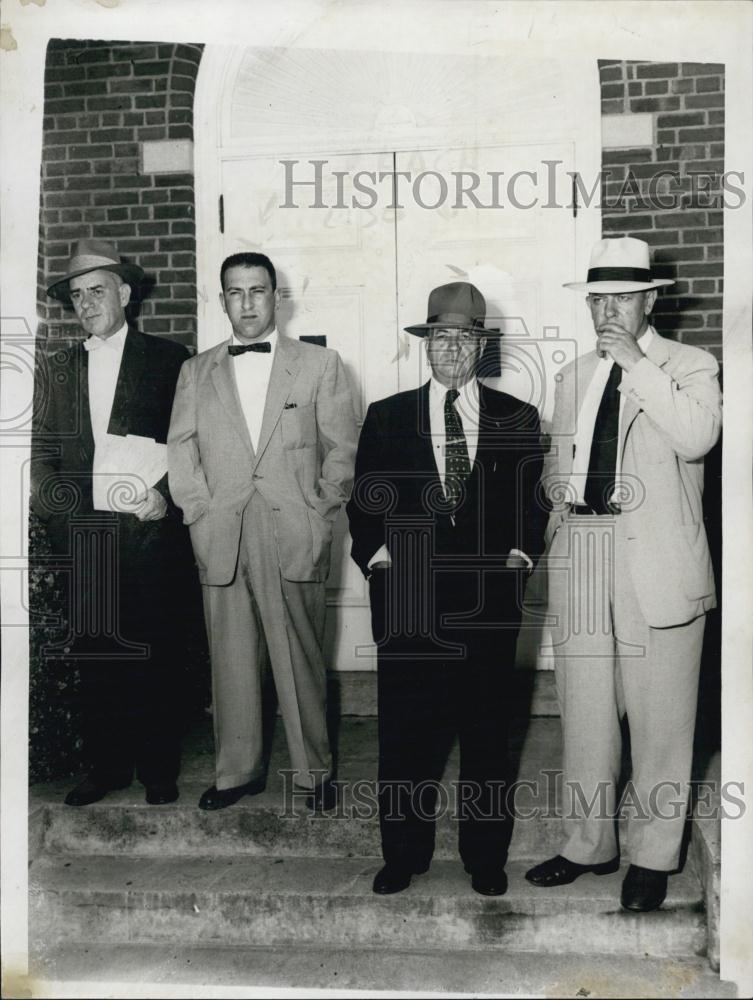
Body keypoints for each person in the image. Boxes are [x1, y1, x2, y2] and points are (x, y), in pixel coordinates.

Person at [525, 237, 722, 912]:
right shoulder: (572, 374)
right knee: (583, 713)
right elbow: (558, 461)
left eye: (618, 299)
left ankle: (652, 854)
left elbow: (697, 437)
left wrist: (635, 364)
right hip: (581, 547)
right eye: (595, 299)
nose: (604, 311)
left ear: (646, 302)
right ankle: (587, 843)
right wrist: (557, 521)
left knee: (662, 716)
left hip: (654, 557)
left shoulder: (689, 364)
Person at [347, 281, 545, 896]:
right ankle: (402, 854)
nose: (451, 349)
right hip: (408, 598)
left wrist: (518, 555)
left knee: (487, 732)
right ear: (426, 344)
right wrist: (377, 558)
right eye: (441, 337)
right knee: (406, 732)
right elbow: (362, 503)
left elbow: (531, 503)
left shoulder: (518, 416)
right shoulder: (386, 415)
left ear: (480, 347)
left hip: (487, 599)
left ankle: (484, 856)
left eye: (464, 338)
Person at [167, 252, 357, 812]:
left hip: (292, 530)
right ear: (221, 299)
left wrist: (319, 513)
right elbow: (181, 451)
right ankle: (237, 773)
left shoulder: (321, 364)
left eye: (257, 291)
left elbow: (342, 452)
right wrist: (198, 513)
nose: (246, 303)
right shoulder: (194, 372)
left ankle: (313, 773)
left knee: (298, 656)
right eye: (234, 292)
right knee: (230, 658)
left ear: (278, 297)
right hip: (222, 530)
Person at [32, 238, 191, 806]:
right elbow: (43, 456)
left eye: (96, 291)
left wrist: (165, 498)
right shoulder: (56, 368)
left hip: (148, 531)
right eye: (76, 296)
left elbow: (191, 447)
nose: (86, 303)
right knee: (97, 653)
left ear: (123, 293)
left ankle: (158, 769)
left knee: (155, 651)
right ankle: (106, 768)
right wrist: (62, 522)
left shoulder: (170, 361)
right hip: (85, 535)